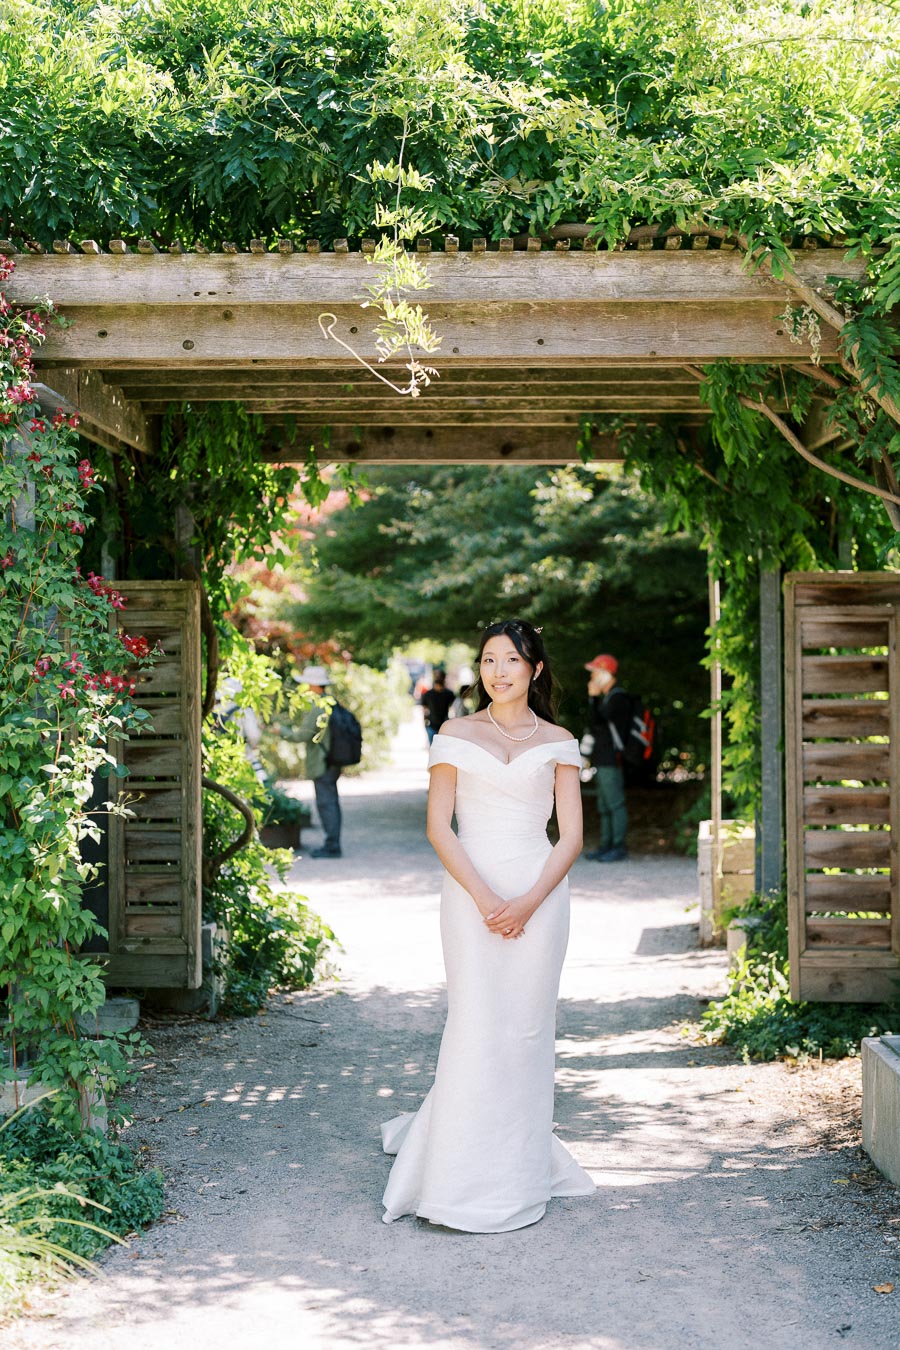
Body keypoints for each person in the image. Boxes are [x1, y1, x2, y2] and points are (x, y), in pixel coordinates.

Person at [381, 618, 594, 1231]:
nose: (498, 671)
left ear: (535, 668)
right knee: (475, 1024)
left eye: (511, 659)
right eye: (489, 660)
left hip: (541, 892)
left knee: (526, 1031)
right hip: (469, 890)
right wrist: (483, 897)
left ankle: (519, 1170)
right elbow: (438, 826)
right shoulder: (454, 731)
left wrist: (527, 901)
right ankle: (457, 1176)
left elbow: (570, 835)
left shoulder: (557, 740)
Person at [584, 653, 631, 862]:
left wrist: (593, 698)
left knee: (615, 804)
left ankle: (618, 846)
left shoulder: (618, 697)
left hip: (612, 760)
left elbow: (600, 722)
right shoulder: (608, 697)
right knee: (604, 805)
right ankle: (606, 845)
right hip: (602, 759)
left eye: (595, 672)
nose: (592, 677)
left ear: (606, 673)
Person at [295, 664, 343, 859]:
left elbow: (302, 735)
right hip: (332, 761)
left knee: (326, 803)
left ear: (314, 685)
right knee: (331, 801)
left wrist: (280, 731)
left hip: (322, 762)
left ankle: (332, 845)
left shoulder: (318, 707)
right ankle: (333, 842)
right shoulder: (331, 703)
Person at [420, 668, 455, 744]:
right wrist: (424, 722)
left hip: (444, 727)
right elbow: (424, 709)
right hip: (432, 726)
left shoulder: (449, 694)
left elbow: (453, 709)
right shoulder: (428, 694)